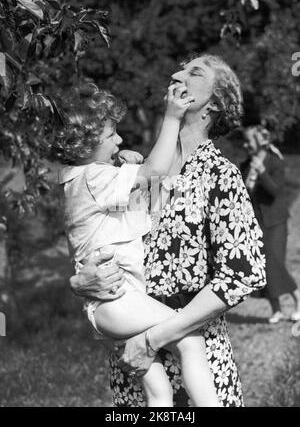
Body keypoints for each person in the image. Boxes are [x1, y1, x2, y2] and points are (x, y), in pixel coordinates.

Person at [70, 54, 267, 407]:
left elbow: (242, 274)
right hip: (138, 360)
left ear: (215, 103)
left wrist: (154, 338)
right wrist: (81, 281)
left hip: (192, 355)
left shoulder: (220, 174)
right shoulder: (138, 172)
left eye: (194, 72)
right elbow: (95, 234)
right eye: (180, 67)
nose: (177, 73)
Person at [52, 83, 222, 407]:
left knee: (159, 392)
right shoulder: (92, 178)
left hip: (108, 306)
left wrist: (121, 166)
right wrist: (171, 117)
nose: (119, 140)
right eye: (111, 135)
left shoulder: (83, 180)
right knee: (190, 341)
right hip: (117, 300)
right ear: (86, 143)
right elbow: (154, 172)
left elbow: (144, 197)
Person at [241, 125, 300, 324]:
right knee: (263, 267)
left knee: (275, 265)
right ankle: (277, 310)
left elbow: (275, 192)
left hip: (275, 222)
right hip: (256, 225)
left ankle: (298, 301)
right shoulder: (245, 165)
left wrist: (263, 172)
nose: (245, 144)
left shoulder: (275, 163)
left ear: (259, 143)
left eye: (249, 141)